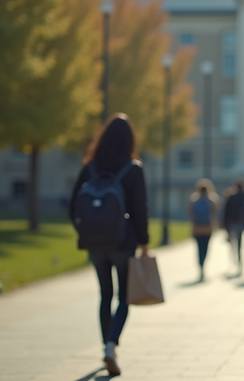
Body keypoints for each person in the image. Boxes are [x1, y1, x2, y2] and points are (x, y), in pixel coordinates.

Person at [69, 114, 150, 377]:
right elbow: (140, 208)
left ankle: (105, 345)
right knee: (124, 297)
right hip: (123, 244)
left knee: (105, 295)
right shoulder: (133, 168)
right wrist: (144, 241)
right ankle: (112, 346)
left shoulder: (90, 167)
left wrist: (86, 231)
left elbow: (72, 206)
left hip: (95, 245)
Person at [187, 178, 219, 281]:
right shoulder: (212, 200)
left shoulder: (194, 199)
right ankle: (203, 265)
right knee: (205, 248)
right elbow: (214, 214)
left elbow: (190, 214)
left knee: (199, 248)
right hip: (207, 227)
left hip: (197, 227)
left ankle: (200, 265)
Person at [221, 178, 244, 278]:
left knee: (234, 244)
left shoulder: (231, 197)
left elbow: (226, 211)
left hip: (233, 223)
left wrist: (224, 225)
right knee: (240, 243)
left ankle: (237, 262)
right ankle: (241, 263)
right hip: (243, 223)